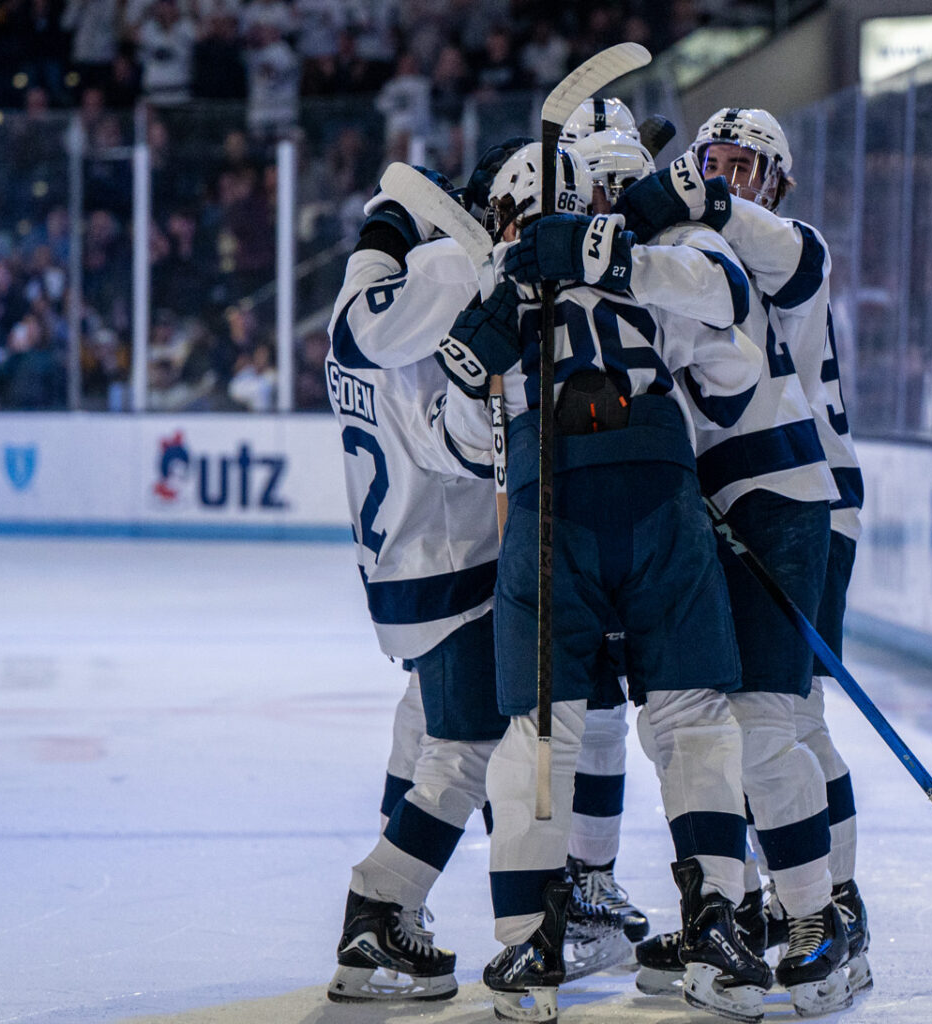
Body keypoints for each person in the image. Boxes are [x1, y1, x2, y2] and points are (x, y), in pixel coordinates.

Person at [438, 142, 773, 1024]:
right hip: (663, 497)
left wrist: (508, 307)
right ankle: (718, 927)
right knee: (691, 713)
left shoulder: (503, 282)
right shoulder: (656, 255)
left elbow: (465, 430)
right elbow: (735, 367)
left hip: (553, 515)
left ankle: (527, 945)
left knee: (540, 730)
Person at [615, 106, 868, 1009]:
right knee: (744, 720)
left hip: (805, 498)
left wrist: (675, 198)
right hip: (726, 499)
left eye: (746, 165)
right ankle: (764, 906)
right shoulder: (696, 242)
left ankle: (830, 909)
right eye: (713, 159)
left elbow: (748, 242)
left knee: (784, 719)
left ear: (777, 180)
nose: (727, 177)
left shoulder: (787, 244)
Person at [320, 165, 512, 1004]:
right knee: (468, 747)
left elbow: (374, 254)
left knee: (423, 728)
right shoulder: (447, 276)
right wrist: (489, 380)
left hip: (396, 565)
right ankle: (380, 907)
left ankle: (400, 914)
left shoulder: (365, 291)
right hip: (450, 560)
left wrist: (393, 213)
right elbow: (456, 448)